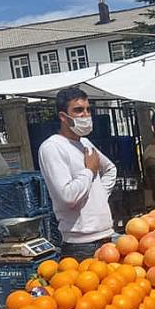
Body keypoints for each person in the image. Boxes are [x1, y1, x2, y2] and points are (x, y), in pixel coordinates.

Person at [39, 86, 117, 260]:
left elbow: (110, 169)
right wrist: (89, 171)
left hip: (106, 237)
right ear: (63, 117)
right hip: (82, 245)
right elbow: (67, 196)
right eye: (78, 110)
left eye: (88, 109)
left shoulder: (85, 143)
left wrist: (100, 195)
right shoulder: (52, 147)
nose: (85, 115)